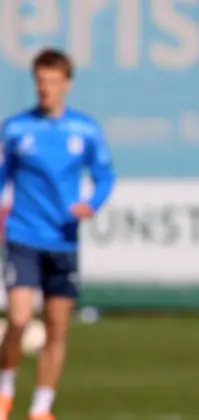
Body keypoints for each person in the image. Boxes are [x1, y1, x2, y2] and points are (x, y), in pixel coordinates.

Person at [0, 49, 116, 420]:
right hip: (23, 235)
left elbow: (104, 176)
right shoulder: (15, 129)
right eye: (40, 81)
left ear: (66, 83)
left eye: (52, 81)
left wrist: (91, 204)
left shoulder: (85, 130)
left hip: (63, 239)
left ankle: (41, 408)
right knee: (19, 319)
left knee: (56, 328)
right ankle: (4, 390)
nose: (45, 88)